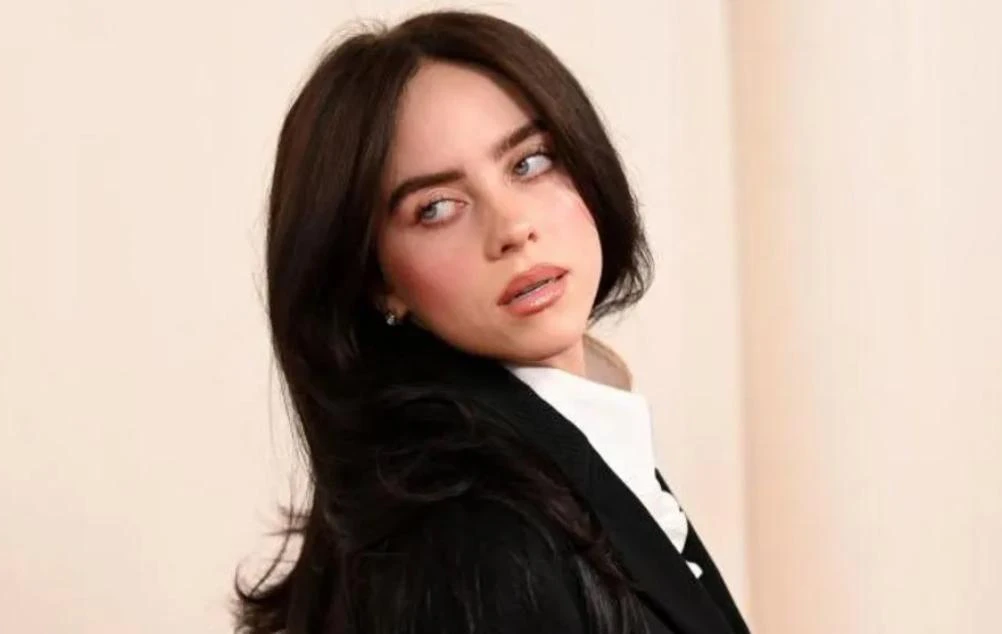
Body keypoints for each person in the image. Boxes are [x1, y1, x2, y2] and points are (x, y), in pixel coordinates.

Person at [236, 10, 749, 634]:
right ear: (376, 279)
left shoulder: (554, 452)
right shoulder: (475, 539)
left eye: (529, 163)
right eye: (437, 207)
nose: (512, 227)